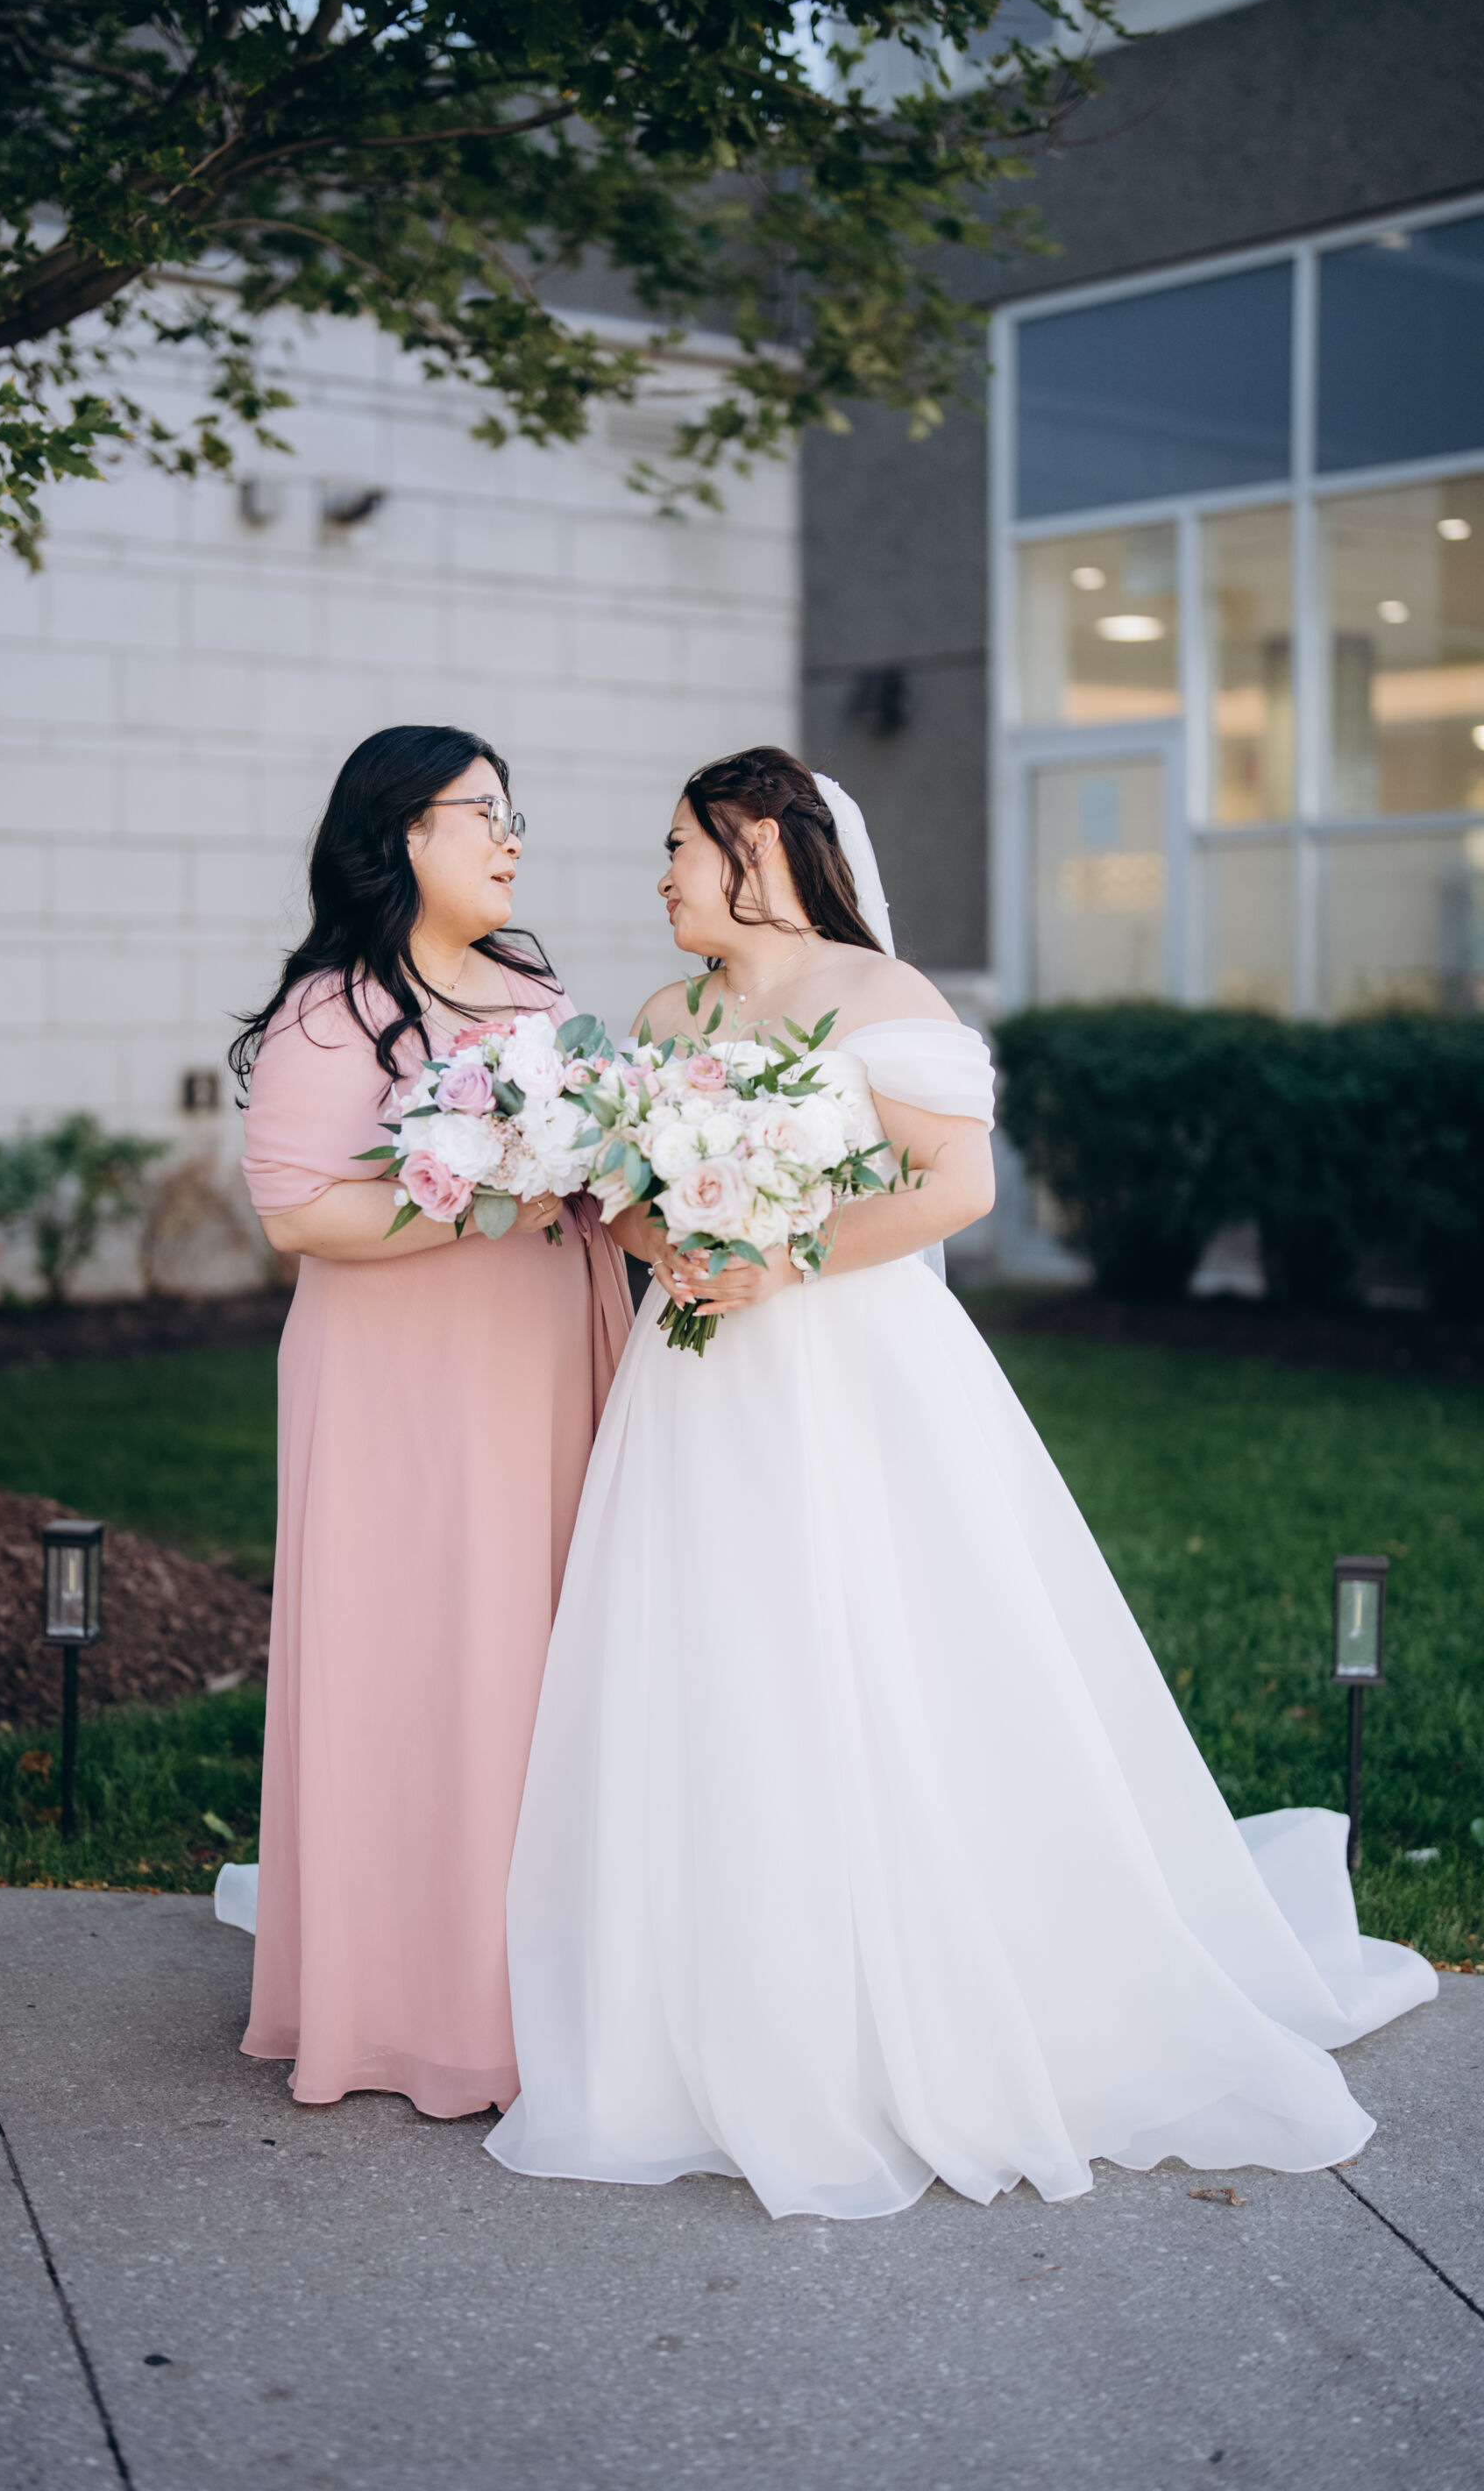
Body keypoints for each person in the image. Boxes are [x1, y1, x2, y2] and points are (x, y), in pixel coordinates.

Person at [486, 745, 1437, 2221]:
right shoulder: (670, 1016)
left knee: (878, 1647)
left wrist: (783, 1255)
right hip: (696, 1377)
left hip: (847, 1364)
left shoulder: (887, 998)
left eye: (679, 845)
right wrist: (669, 1237)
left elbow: (958, 1187)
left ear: (759, 844)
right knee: (713, 1650)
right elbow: (624, 1198)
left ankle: (909, 1988)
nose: (661, 875)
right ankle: (712, 1983)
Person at [216, 726, 631, 2116]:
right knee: (419, 1654)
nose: (510, 840)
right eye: (484, 813)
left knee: (533, 1651)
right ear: (404, 832)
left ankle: (539, 1981)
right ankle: (408, 2003)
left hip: (537, 1359)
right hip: (397, 1382)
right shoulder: (329, 1012)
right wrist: (482, 1197)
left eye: (516, 817)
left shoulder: (533, 991)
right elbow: (300, 1216)